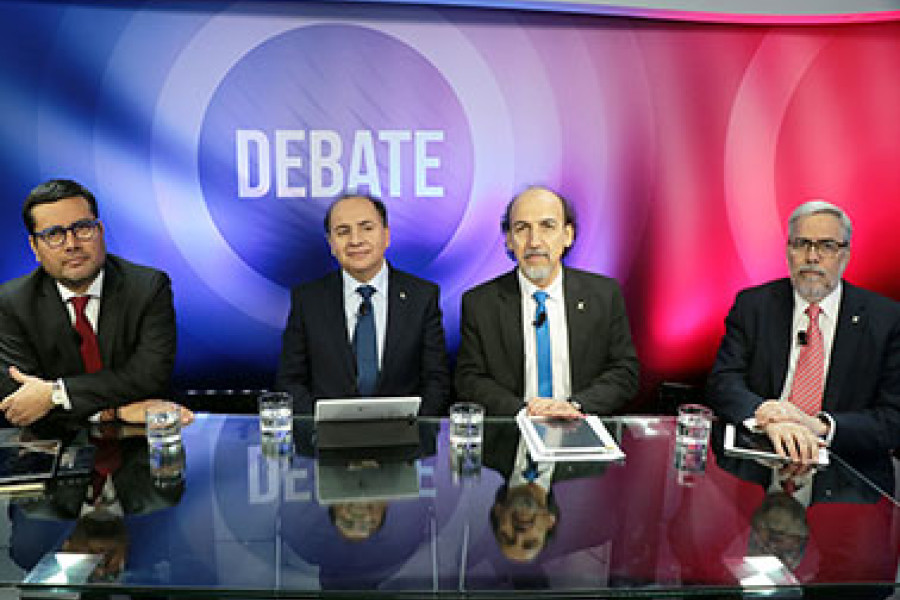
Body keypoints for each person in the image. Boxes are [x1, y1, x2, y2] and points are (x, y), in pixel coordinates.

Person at [707, 200, 900, 465]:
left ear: (845, 254)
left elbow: (893, 418)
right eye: (801, 244)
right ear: (788, 250)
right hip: (760, 456)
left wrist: (819, 426)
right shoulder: (753, 305)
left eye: (827, 246)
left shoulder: (886, 319)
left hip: (844, 467)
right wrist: (765, 415)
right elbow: (723, 382)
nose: (812, 257)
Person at [0, 179, 186, 427]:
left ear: (100, 231)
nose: (72, 244)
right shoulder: (11, 303)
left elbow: (149, 377)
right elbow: (20, 403)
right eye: (54, 234)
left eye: (82, 228)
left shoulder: (148, 287)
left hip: (140, 438)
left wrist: (56, 394)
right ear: (35, 247)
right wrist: (112, 413)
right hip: (52, 441)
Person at [455, 186, 639, 417]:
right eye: (522, 228)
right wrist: (524, 413)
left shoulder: (604, 294)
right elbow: (469, 379)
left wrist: (575, 407)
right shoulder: (480, 303)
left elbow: (624, 372)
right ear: (509, 240)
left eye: (547, 226)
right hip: (513, 429)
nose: (534, 241)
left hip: (581, 425)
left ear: (567, 235)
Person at [275, 193, 451, 415]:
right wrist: (320, 426)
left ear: (386, 235)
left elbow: (437, 381)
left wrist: (414, 427)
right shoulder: (308, 300)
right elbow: (290, 381)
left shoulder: (422, 296)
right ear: (331, 244)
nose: (355, 240)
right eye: (343, 232)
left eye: (367, 228)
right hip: (327, 433)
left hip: (404, 432)